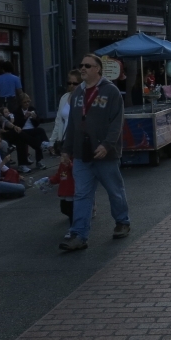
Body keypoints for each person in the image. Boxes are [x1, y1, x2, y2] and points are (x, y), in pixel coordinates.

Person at [60, 53, 130, 251]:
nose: (82, 68)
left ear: (98, 69)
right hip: (82, 154)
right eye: (81, 65)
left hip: (105, 154)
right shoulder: (77, 94)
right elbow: (72, 125)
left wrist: (107, 145)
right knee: (81, 194)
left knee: (114, 191)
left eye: (87, 66)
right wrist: (66, 149)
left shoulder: (111, 91)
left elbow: (116, 123)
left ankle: (122, 221)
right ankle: (79, 235)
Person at [13, 93, 48, 172]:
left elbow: (37, 123)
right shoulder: (17, 111)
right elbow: (17, 125)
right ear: (21, 103)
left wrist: (35, 118)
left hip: (32, 129)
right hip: (22, 131)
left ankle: (40, 159)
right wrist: (25, 117)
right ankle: (22, 164)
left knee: (40, 131)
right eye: (25, 102)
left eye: (28, 101)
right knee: (21, 140)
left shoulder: (32, 109)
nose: (27, 104)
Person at [50, 70, 82, 153]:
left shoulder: (84, 98)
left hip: (79, 140)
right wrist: (52, 141)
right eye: (69, 83)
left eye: (75, 83)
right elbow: (58, 121)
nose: (71, 85)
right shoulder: (64, 97)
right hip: (65, 140)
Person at [47, 154, 76, 223]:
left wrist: (69, 164)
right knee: (64, 209)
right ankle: (75, 217)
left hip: (71, 190)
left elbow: (76, 171)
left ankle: (74, 222)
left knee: (71, 209)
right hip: (63, 190)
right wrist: (51, 180)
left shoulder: (75, 160)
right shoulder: (62, 163)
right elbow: (60, 174)